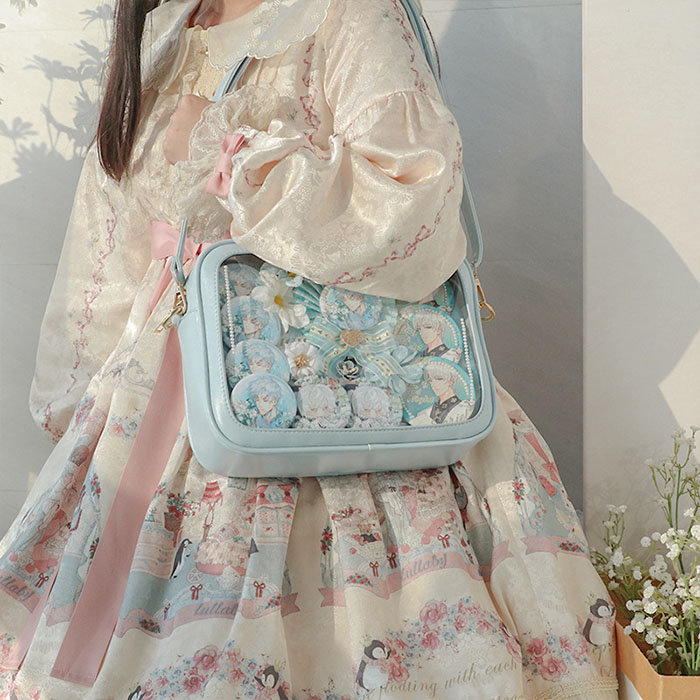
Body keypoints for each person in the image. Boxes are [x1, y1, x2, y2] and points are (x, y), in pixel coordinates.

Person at [0, 0, 619, 698]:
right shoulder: (166, 32)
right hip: (154, 409)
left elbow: (415, 197)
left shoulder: (347, 14)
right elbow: (109, 255)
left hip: (335, 404)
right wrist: (86, 417)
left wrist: (238, 159)